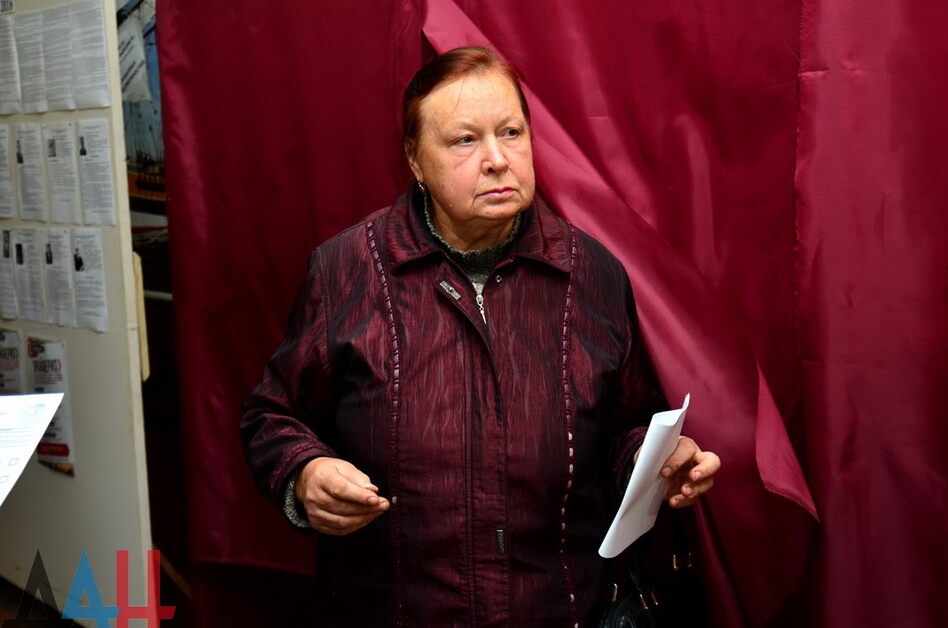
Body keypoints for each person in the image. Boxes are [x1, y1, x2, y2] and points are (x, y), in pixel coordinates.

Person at [241, 46, 720, 627]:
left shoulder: (591, 274)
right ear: (415, 161)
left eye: (511, 132)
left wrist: (655, 462)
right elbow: (272, 416)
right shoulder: (347, 270)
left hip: (559, 610)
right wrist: (304, 473)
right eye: (465, 140)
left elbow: (625, 424)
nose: (497, 159)